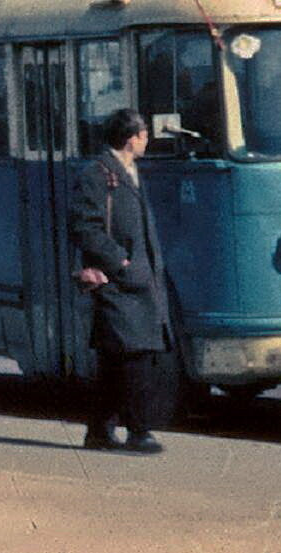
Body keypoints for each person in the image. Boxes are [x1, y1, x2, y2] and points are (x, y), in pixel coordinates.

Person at [69, 108, 172, 455]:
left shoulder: (129, 171)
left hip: (139, 279)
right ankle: (140, 431)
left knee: (117, 360)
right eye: (144, 134)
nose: (148, 140)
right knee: (135, 357)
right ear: (131, 139)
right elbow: (85, 226)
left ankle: (99, 430)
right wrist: (120, 262)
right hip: (117, 281)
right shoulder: (98, 174)